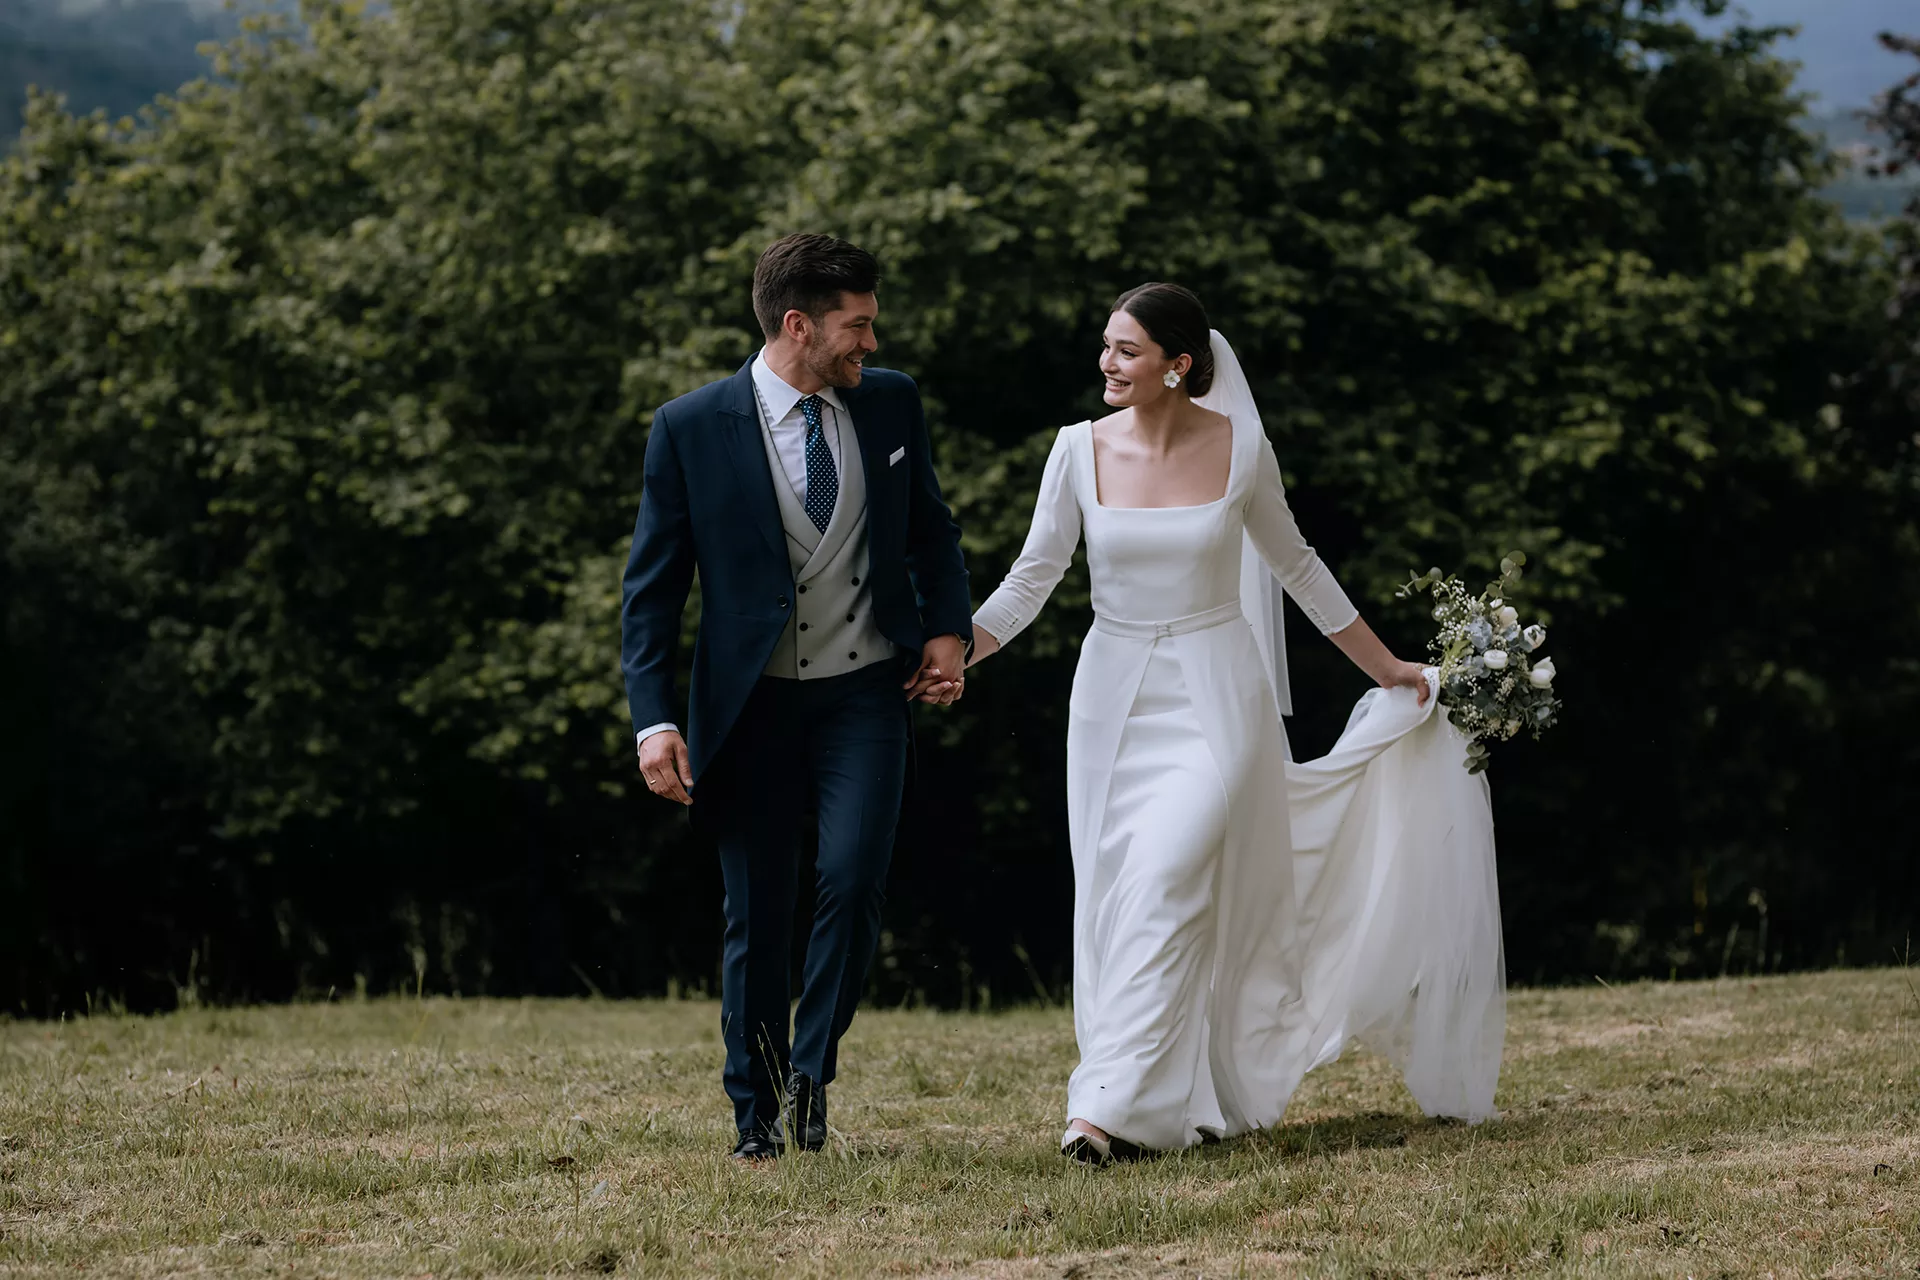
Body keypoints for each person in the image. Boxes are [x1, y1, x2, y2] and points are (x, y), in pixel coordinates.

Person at [969, 284, 1505, 1163]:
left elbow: (1297, 565)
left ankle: (1098, 1112)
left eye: (1127, 350)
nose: (1107, 363)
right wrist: (960, 651)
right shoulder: (1075, 452)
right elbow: (1033, 577)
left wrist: (1389, 669)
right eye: (1105, 346)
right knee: (1124, 893)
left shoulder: (1241, 447)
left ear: (1178, 366)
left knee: (1172, 874)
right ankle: (1149, 1098)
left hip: (1218, 691)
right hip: (1111, 699)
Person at [620, 234, 972, 1161]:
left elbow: (931, 529)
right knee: (758, 913)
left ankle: (812, 1072)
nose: (870, 341)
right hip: (751, 710)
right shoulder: (690, 427)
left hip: (865, 692)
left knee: (853, 880)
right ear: (797, 324)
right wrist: (655, 720)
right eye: (855, 325)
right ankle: (757, 1119)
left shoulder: (890, 402)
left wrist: (949, 628)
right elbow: (651, 591)